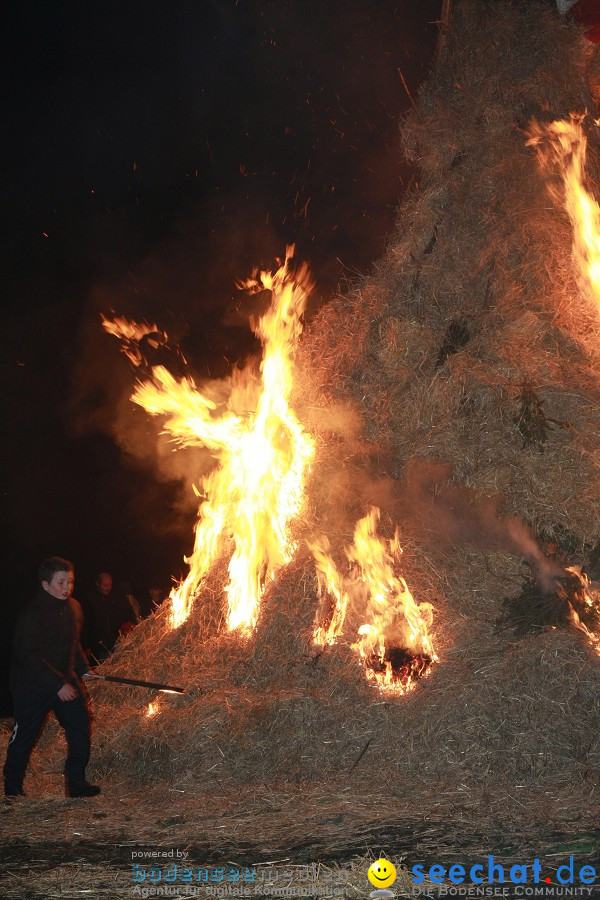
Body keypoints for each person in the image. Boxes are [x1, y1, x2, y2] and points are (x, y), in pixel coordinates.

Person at [3, 556, 100, 798]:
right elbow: (29, 657)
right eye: (61, 582)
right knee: (25, 735)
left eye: (70, 581)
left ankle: (76, 783)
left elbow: (73, 644)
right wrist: (57, 685)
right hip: (31, 686)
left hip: (64, 679)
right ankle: (12, 787)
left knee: (79, 726)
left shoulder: (74, 608)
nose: (67, 587)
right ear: (45, 585)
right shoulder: (31, 616)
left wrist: (82, 668)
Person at [82, 571, 132, 661]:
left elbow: (126, 614)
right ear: (97, 584)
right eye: (105, 585)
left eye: (110, 585)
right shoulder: (90, 600)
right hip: (100, 647)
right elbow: (87, 625)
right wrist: (87, 646)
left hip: (116, 644)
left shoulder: (116, 597)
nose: (108, 588)